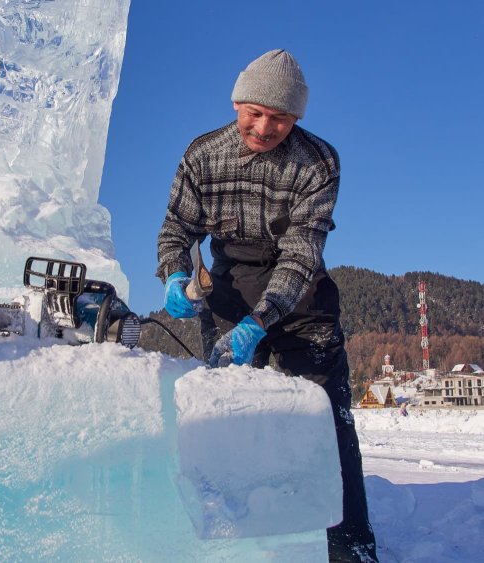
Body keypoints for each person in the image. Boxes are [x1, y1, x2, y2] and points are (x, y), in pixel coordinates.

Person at [157, 49, 377, 562]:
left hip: (301, 297)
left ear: (296, 118)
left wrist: (263, 321)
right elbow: (176, 230)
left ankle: (350, 545)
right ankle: (235, 546)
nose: (264, 126)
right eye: (255, 112)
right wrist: (174, 273)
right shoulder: (202, 155)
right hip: (231, 288)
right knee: (229, 419)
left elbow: (302, 252)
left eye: (279, 117)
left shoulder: (318, 162)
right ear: (237, 102)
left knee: (328, 419)